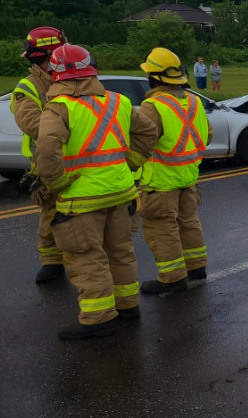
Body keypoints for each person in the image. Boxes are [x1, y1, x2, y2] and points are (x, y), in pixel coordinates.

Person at [36, 44, 157, 340]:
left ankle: (98, 318)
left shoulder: (59, 108)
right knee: (120, 251)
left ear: (55, 74)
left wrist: (55, 185)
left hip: (81, 198)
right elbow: (148, 131)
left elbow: (47, 150)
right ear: (92, 70)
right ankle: (128, 305)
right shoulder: (118, 101)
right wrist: (131, 162)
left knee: (87, 257)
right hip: (121, 191)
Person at [137, 47, 212, 294]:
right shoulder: (194, 101)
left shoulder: (152, 106)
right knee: (189, 222)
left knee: (162, 229)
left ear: (153, 77)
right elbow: (208, 135)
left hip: (161, 181)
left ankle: (172, 277)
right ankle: (197, 267)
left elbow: (141, 144)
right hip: (188, 177)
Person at [11, 27, 68, 283]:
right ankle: (52, 262)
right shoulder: (28, 87)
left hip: (81, 160)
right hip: (48, 161)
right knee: (51, 213)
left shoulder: (68, 78)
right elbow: (32, 124)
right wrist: (68, 129)